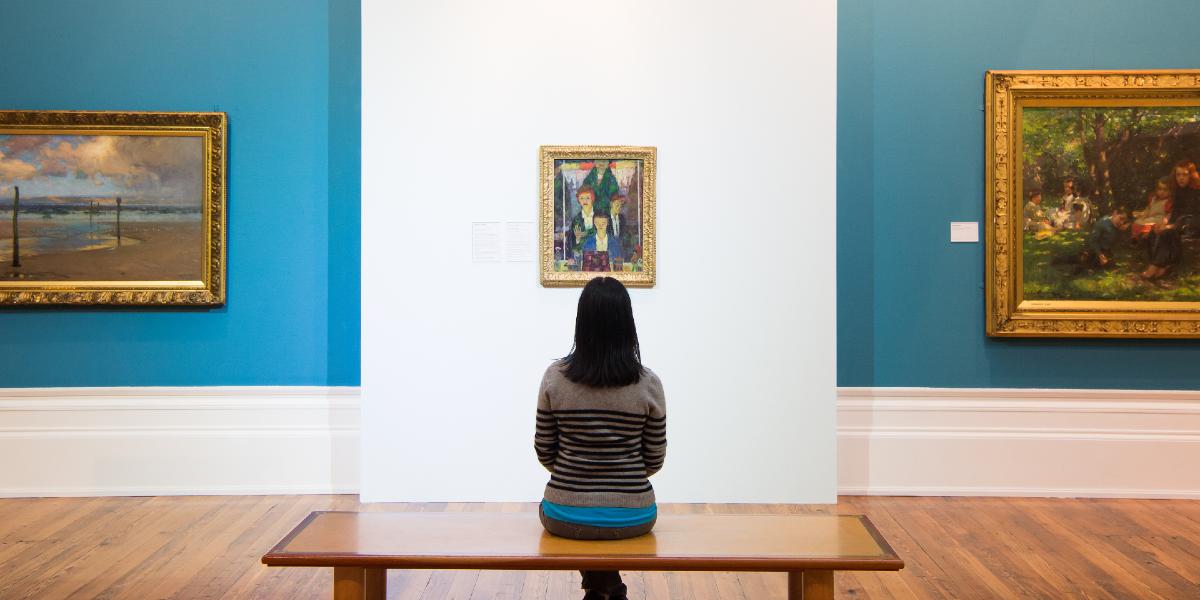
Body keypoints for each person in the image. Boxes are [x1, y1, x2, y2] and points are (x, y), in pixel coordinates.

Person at [535, 277, 666, 600]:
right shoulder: (649, 384)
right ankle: (609, 590)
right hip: (634, 515)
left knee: (585, 521)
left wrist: (578, 475)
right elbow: (654, 459)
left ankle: (600, 589)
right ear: (627, 324)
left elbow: (544, 449)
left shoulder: (555, 378)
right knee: (602, 523)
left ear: (582, 322)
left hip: (564, 514)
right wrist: (618, 478)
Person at [566, 185, 598, 261]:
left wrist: (585, 233)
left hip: (598, 254)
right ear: (579, 200)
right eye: (582, 198)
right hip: (582, 256)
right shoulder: (576, 219)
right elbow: (572, 244)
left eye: (588, 198)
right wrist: (577, 239)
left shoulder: (599, 216)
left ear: (592, 199)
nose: (585, 201)